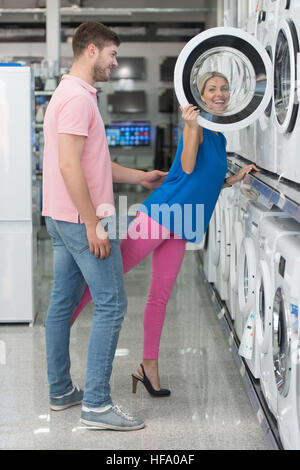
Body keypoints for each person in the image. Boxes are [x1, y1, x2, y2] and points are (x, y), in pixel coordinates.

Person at [71, 71, 259, 395]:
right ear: (199, 95)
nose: (219, 93)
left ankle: (149, 367)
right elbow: (186, 168)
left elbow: (206, 180)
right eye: (212, 89)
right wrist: (190, 127)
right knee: (109, 275)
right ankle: (63, 328)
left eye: (224, 88)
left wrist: (234, 178)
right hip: (163, 213)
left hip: (185, 221)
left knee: (159, 297)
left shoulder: (219, 135)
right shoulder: (195, 127)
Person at [42, 21, 167, 431]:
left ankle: (61, 391)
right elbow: (67, 165)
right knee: (112, 304)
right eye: (112, 54)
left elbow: (92, 163)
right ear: (91, 50)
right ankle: (96, 404)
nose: (115, 63)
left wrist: (139, 177)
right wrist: (94, 222)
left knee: (62, 305)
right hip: (82, 220)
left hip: (60, 217)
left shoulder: (68, 94)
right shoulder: (78, 98)